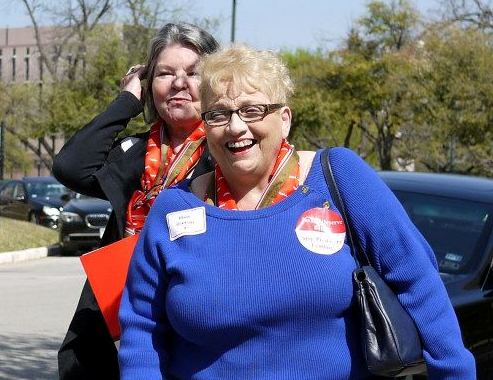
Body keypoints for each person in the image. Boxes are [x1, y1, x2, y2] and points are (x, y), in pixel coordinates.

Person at [118, 45, 476, 379]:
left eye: (252, 110)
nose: (236, 127)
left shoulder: (340, 177)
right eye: (219, 114)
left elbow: (420, 284)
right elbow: (142, 327)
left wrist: (454, 373)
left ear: (284, 118)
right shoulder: (175, 207)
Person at [52, 23, 219, 379]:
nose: (179, 83)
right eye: (164, 73)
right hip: (114, 312)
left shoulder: (228, 154)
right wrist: (126, 101)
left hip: (190, 315)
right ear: (149, 84)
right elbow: (70, 165)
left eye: (193, 73)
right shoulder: (133, 152)